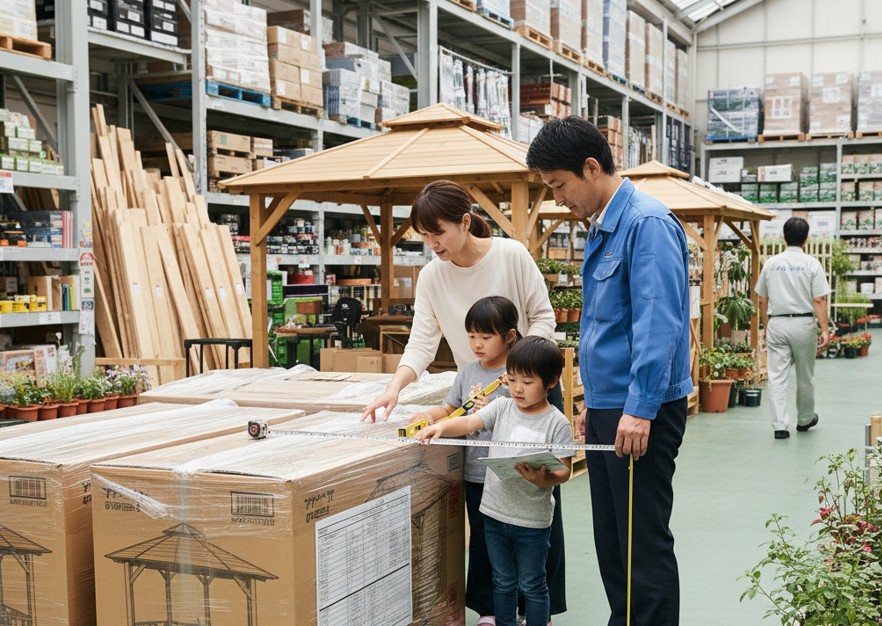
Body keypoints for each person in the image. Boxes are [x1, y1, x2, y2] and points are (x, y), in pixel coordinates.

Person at [361, 179, 569, 623]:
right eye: (425, 236)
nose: (433, 243)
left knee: (535, 498)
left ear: (465, 221)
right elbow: (421, 342)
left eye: (439, 232)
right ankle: (493, 608)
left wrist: (520, 379)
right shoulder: (433, 276)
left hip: (529, 394)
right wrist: (394, 387)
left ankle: (539, 606)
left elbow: (544, 318)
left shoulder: (510, 255)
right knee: (485, 503)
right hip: (475, 395)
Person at [526, 116, 693, 626]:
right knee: (611, 537)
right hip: (607, 409)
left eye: (559, 185)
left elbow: (658, 325)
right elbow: (607, 327)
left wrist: (638, 410)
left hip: (639, 410)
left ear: (591, 167)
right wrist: (590, 405)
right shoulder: (604, 228)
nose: (558, 200)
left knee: (641, 538)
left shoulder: (647, 224)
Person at [416, 336, 573, 626]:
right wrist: (439, 427)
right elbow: (467, 422)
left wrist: (544, 478)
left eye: (527, 382)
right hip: (494, 516)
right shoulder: (502, 407)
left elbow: (565, 470)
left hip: (532, 522)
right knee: (502, 581)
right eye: (512, 380)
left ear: (551, 382)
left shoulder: (557, 423)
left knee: (532, 584)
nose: (517, 389)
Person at [409, 296, 518, 626]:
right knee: (482, 541)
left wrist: (491, 409)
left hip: (509, 473)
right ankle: (488, 609)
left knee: (514, 541)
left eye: (486, 337)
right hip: (474, 474)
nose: (477, 344)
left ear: (509, 337)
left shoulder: (518, 374)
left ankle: (524, 605)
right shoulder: (467, 371)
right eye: (472, 336)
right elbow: (450, 408)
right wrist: (429, 415)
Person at [755, 216, 830, 440]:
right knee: (805, 375)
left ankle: (779, 426)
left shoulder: (771, 263)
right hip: (803, 323)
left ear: (783, 237)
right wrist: (824, 329)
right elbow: (818, 299)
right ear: (806, 238)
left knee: (777, 376)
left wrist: (767, 326)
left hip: (777, 322)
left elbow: (761, 299)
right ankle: (805, 419)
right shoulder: (812, 264)